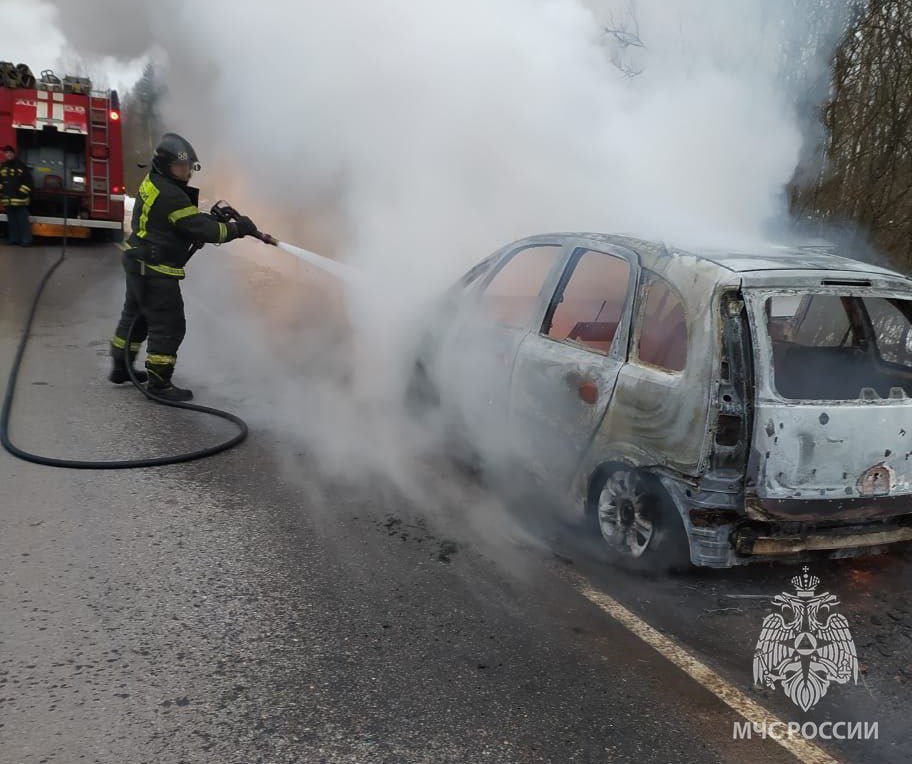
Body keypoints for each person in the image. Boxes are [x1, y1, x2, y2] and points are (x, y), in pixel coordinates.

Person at [110, 132, 257, 401]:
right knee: (169, 324)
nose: (186, 172)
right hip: (155, 270)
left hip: (138, 261)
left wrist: (207, 220)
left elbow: (181, 220)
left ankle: (121, 367)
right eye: (179, 167)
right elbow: (205, 230)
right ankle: (159, 383)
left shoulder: (154, 181)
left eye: (188, 166)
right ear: (164, 165)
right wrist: (238, 229)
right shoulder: (171, 195)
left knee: (134, 317)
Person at [0, 144, 33, 247]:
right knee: (12, 222)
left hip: (20, 200)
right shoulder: (3, 167)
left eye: (10, 152)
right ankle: (13, 239)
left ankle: (26, 240)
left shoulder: (21, 166)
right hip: (8, 200)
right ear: (4, 154)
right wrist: (1, 192)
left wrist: (21, 193)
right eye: (6, 153)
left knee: (23, 222)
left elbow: (29, 182)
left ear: (14, 154)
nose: (8, 154)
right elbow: (1, 182)